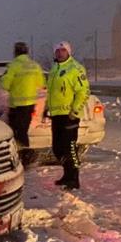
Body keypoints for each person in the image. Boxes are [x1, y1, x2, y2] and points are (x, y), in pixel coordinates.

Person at [45, 40, 89, 189]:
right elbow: (51, 92)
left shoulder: (75, 69)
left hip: (69, 115)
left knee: (70, 148)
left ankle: (74, 178)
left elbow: (83, 92)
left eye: (62, 50)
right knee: (58, 148)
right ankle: (67, 174)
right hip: (56, 115)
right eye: (57, 51)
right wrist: (47, 108)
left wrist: (74, 111)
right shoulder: (54, 69)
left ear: (68, 52)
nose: (59, 53)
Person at [0, 41, 44, 165]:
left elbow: (4, 84)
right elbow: (41, 83)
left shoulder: (13, 65)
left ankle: (23, 157)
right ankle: (26, 157)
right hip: (30, 105)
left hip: (16, 105)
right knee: (23, 131)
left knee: (14, 132)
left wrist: (6, 82)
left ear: (15, 52)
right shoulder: (34, 65)